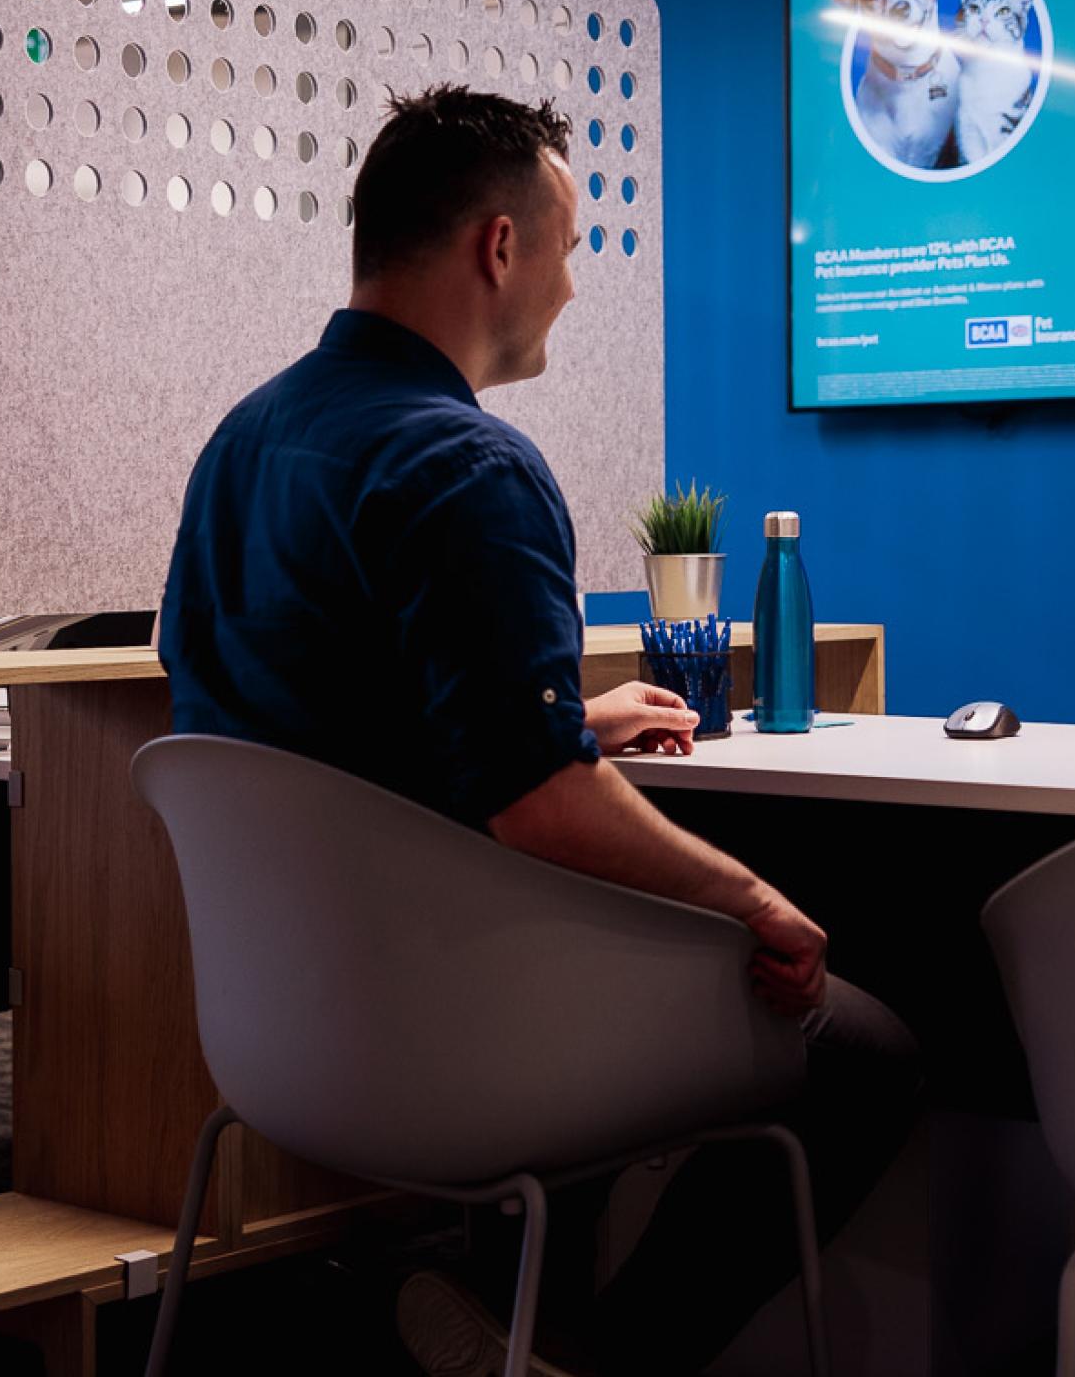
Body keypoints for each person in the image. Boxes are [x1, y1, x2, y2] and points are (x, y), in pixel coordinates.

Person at [160, 86, 920, 1377]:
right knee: (873, 1054)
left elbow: (301, 727)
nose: (572, 288)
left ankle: (519, 1317)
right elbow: (537, 812)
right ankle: (600, 1357)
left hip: (281, 1035)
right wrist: (750, 899)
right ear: (498, 249)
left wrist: (564, 722)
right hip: (458, 1026)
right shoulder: (463, 466)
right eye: (568, 251)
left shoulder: (246, 438)